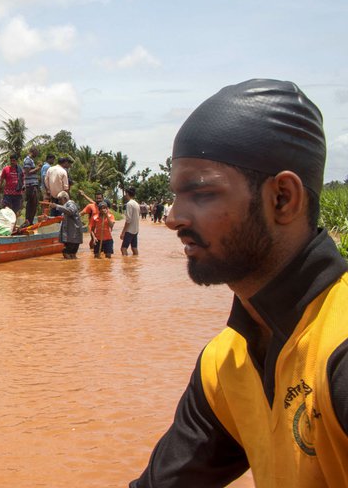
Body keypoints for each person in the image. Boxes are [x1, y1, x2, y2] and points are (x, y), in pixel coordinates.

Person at [130, 79, 348, 487]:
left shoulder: (340, 351)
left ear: (282, 198)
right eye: (176, 195)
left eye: (202, 193)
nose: (174, 217)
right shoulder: (226, 363)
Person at [48, 190, 82, 259]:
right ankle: (73, 267)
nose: (59, 202)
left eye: (60, 200)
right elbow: (60, 219)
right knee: (72, 254)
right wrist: (48, 218)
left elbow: (70, 211)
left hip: (73, 236)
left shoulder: (71, 204)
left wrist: (57, 206)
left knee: (66, 252)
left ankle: (69, 268)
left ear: (65, 198)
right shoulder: (65, 207)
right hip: (71, 237)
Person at [22, 146, 41, 226]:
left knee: (33, 203)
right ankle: (28, 221)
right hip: (31, 185)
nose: (37, 154)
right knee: (32, 203)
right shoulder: (27, 160)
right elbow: (27, 172)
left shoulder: (30, 160)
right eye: (37, 152)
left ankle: (29, 221)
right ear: (33, 152)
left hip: (33, 184)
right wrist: (38, 168)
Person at [120, 187, 140, 256]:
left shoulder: (129, 204)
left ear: (127, 194)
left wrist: (123, 232)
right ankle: (135, 262)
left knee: (123, 248)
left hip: (129, 230)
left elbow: (128, 220)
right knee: (134, 248)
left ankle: (126, 265)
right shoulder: (137, 204)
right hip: (136, 230)